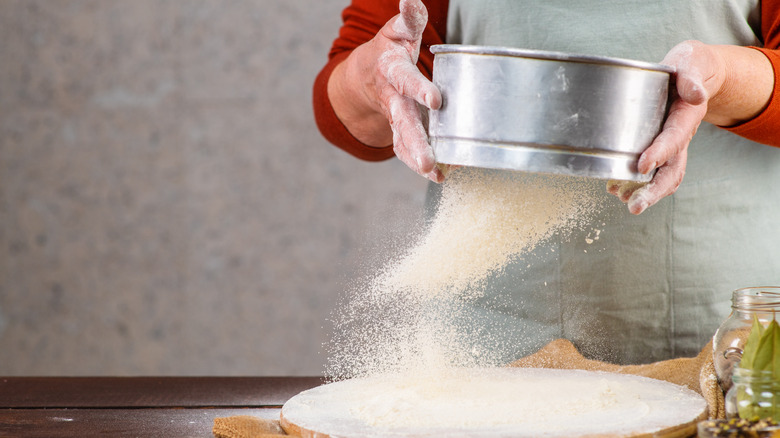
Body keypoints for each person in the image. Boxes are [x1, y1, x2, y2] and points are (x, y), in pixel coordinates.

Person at [314, 0, 780, 364]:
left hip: (722, 335)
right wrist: (375, 78)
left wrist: (719, 79)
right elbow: (346, 100)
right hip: (490, 332)